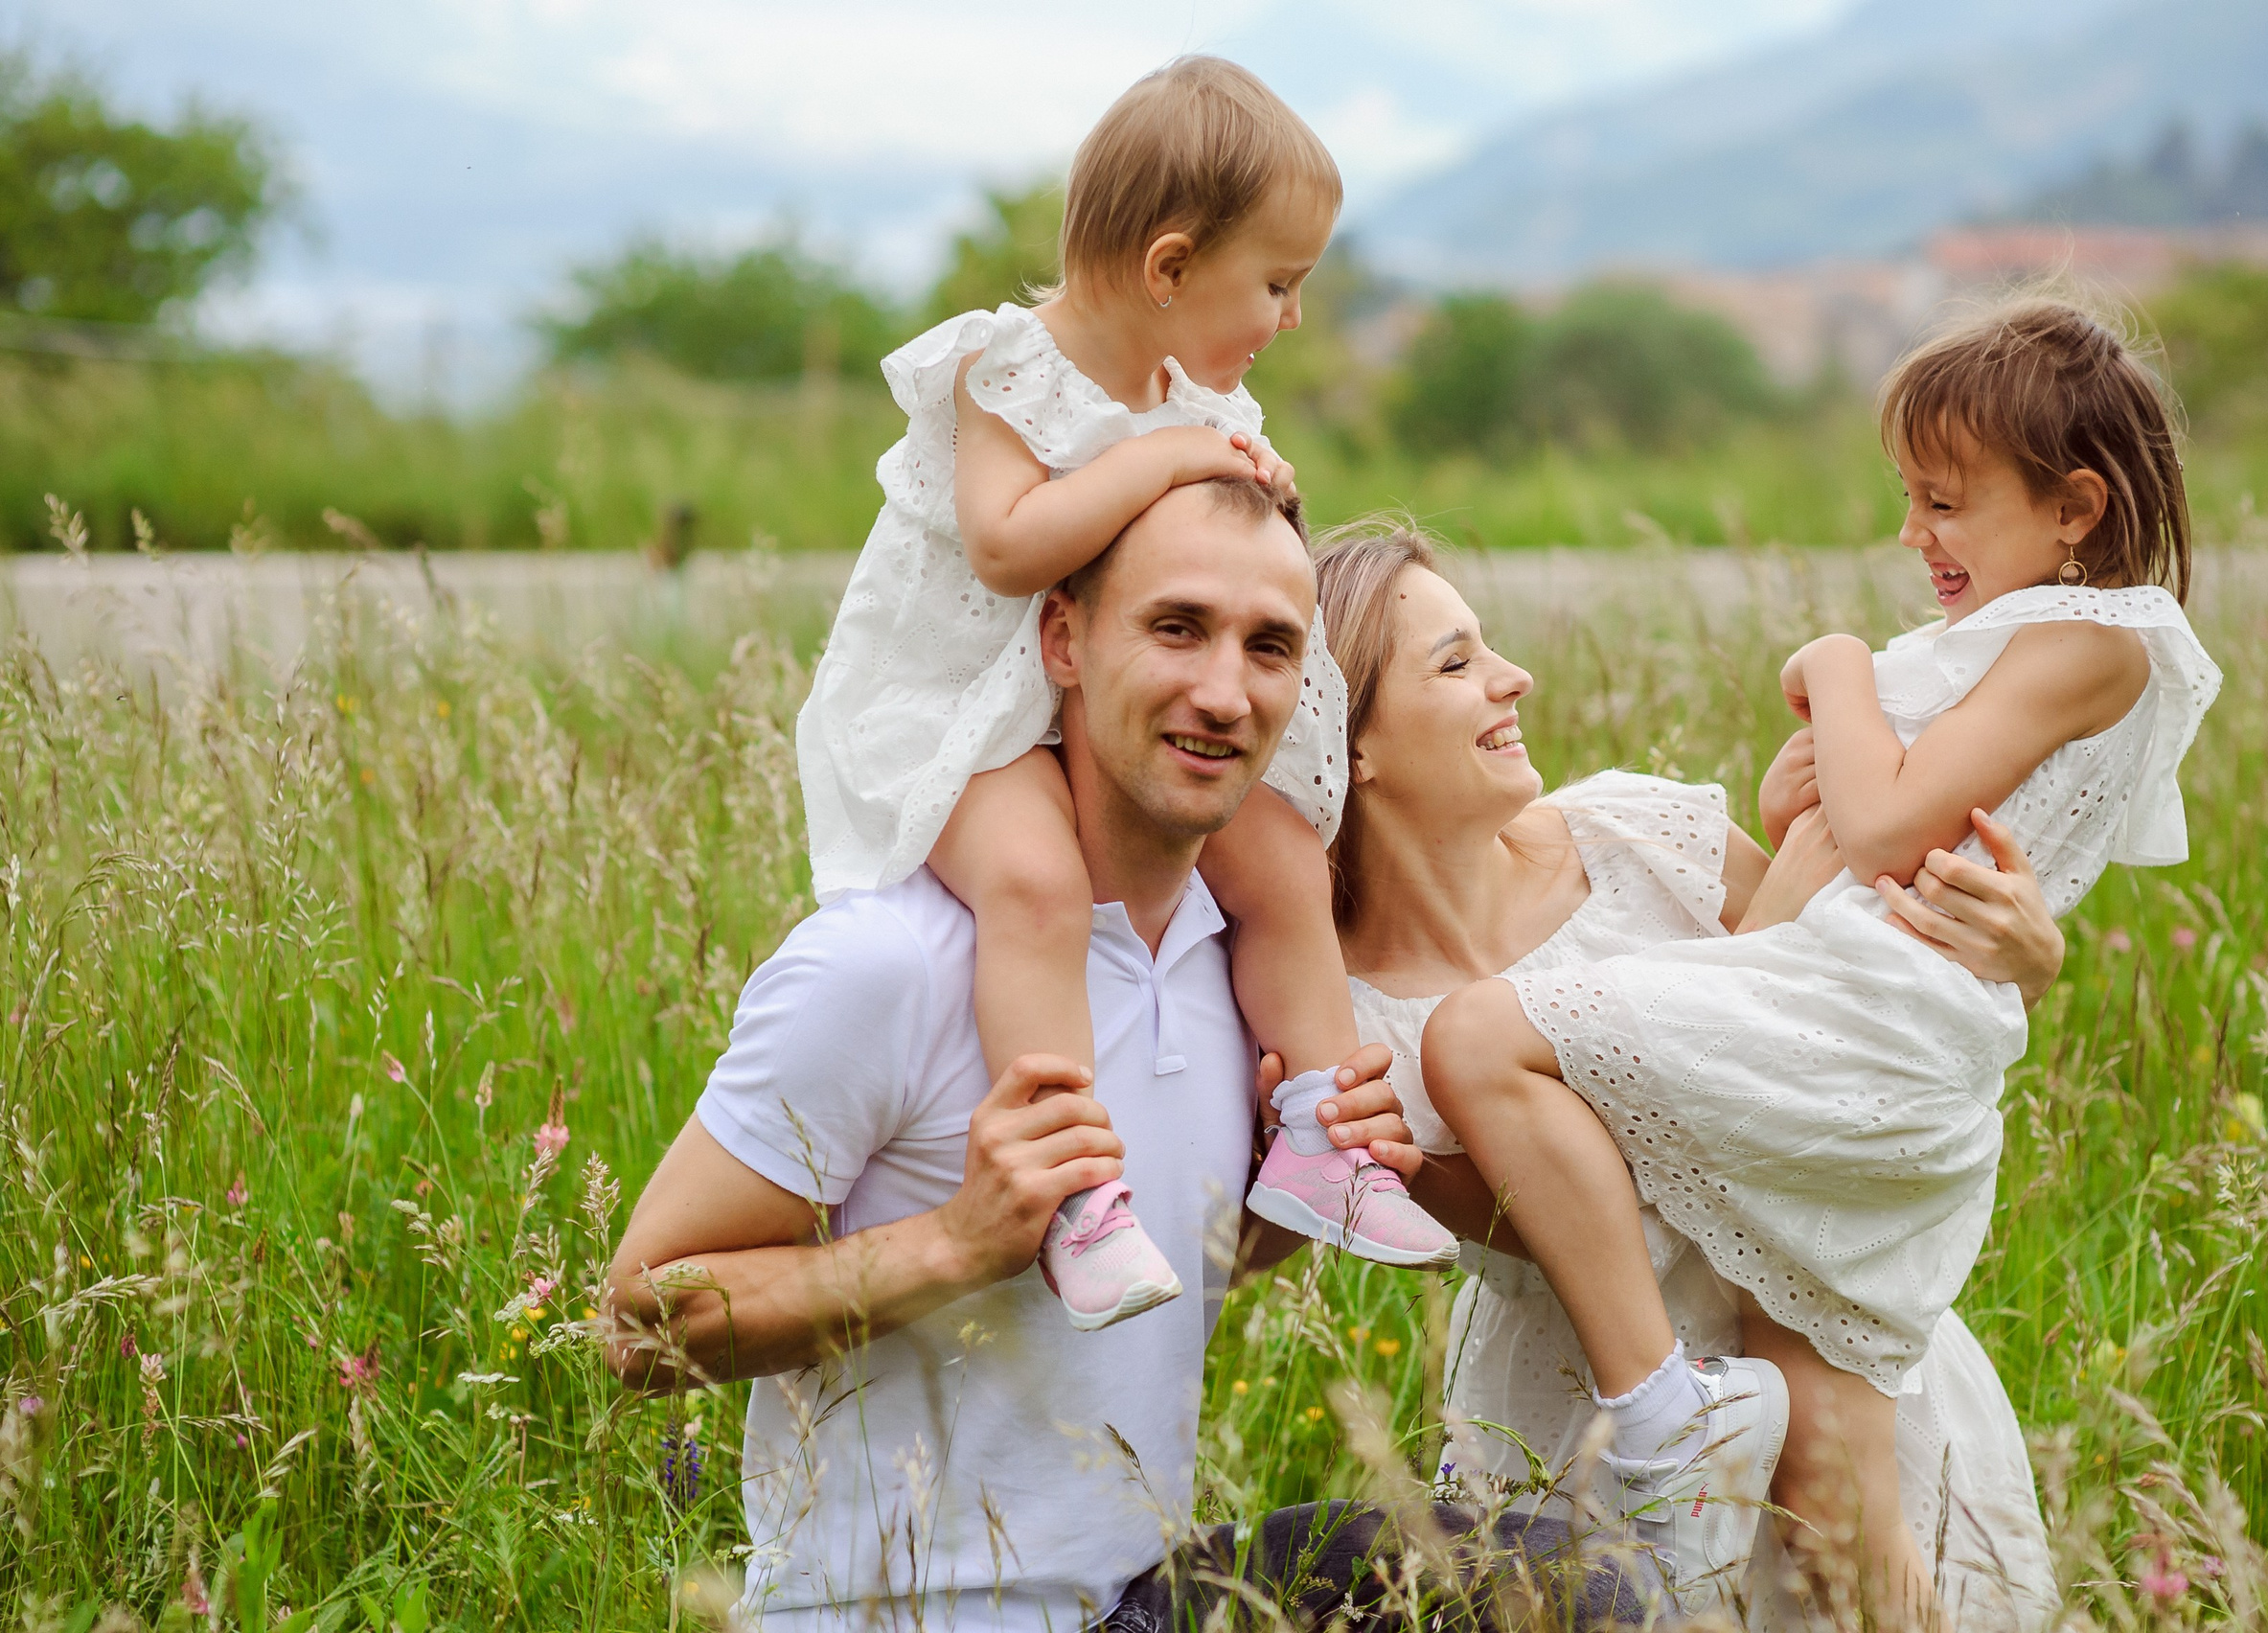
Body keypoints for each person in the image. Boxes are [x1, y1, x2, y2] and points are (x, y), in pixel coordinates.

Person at [605, 480, 1672, 1633]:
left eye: (1269, 648)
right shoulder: (889, 965)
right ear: (1063, 640)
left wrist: (1276, 1196)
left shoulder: (1244, 972)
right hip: (906, 1614)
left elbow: (1173, 1275)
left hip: (1142, 1599)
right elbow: (640, 1322)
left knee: (1567, 1589)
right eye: (1176, 628)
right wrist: (953, 1242)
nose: (1223, 692)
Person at [1419, 299, 2223, 1622]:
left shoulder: (2095, 640)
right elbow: (1863, 836)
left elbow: (1895, 828)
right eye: (1909, 499)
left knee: (1476, 1035)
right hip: (1843, 994)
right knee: (1831, 1494)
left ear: (2074, 507)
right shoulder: (1999, 646)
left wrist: (1840, 667)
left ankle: (1660, 1416)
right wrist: (1803, 798)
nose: (1914, 535)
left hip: (1873, 1019)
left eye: (1944, 503)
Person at [794, 56, 1453, 1333]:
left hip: (1100, 703)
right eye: (1278, 283)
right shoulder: (1007, 368)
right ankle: (1073, 1195)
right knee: (1036, 887)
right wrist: (1170, 459)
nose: (1291, 318)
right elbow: (1007, 545)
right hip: (961, 713)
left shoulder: (1192, 399)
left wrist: (1246, 488)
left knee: (1281, 858)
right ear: (1169, 267)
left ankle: (1320, 1131)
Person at [1306, 523, 2066, 1627]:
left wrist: (2025, 966)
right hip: (1599, 1426)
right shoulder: (1347, 1017)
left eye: (1488, 646)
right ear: (1349, 746)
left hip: (1828, 1341)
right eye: (1455, 663)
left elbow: (1864, 1027)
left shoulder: (1636, 836)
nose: (1513, 678)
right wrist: (1412, 1173)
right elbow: (1575, 1229)